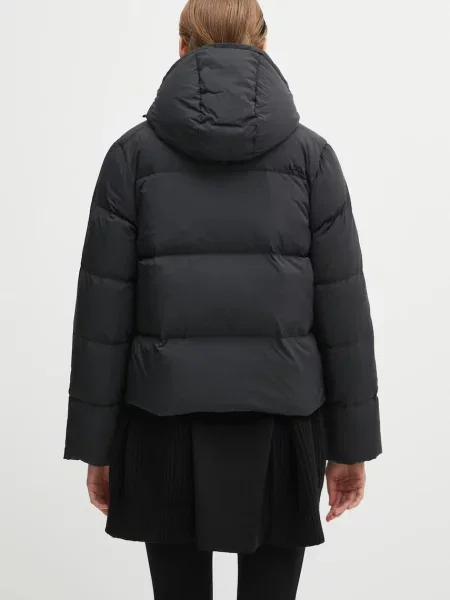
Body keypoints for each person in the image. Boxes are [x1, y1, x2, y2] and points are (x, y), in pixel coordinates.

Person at [64, 0, 382, 598]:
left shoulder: (131, 158)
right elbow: (344, 312)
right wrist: (351, 445)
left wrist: (97, 445)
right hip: (283, 423)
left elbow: (103, 313)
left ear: (182, 46)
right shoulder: (312, 159)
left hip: (162, 422)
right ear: (263, 43)